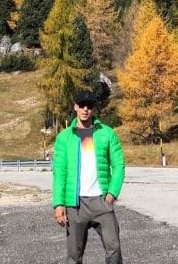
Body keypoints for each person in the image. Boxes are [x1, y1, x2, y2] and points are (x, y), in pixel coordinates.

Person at [52, 89, 126, 264]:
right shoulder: (64, 137)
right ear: (75, 107)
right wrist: (58, 204)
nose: (85, 109)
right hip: (75, 205)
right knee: (74, 256)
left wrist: (112, 193)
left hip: (102, 202)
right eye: (82, 105)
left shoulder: (107, 133)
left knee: (114, 249)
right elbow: (59, 173)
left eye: (89, 105)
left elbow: (119, 165)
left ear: (93, 109)